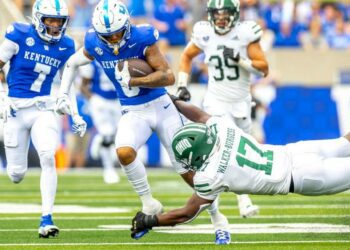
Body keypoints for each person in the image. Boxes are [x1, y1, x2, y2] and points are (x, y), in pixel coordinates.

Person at [54, 0, 230, 244]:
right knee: (124, 152)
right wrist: (63, 94)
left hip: (162, 107)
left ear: (127, 25)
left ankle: (218, 219)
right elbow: (72, 63)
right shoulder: (94, 40)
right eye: (108, 35)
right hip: (133, 111)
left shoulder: (142, 37)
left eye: (117, 33)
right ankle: (149, 203)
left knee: (188, 171)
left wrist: (135, 81)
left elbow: (167, 76)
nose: (114, 40)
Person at [130, 98, 350, 241]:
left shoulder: (209, 176)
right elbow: (198, 115)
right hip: (295, 152)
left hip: (303, 177)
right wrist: (173, 100)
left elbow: (187, 214)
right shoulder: (223, 129)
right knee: (344, 142)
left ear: (197, 155)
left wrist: (151, 221)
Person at [0, 0, 86, 238]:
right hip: (16, 110)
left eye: (59, 21)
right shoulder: (18, 33)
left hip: (43, 109)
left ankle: (46, 218)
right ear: (38, 18)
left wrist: (75, 113)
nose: (56, 25)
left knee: (48, 156)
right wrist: (2, 96)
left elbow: (68, 86)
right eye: (50, 20)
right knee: (16, 175)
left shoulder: (67, 45)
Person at [176, 0, 268, 223]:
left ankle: (235, 198)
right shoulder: (205, 33)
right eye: (216, 14)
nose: (220, 18)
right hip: (216, 101)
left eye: (225, 14)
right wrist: (182, 84)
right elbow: (187, 56)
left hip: (241, 101)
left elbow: (263, 69)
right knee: (226, 145)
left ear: (235, 14)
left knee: (245, 150)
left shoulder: (246, 32)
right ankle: (235, 202)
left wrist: (239, 59)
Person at [79, 61, 121, 184]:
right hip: (100, 99)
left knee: (119, 134)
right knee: (107, 133)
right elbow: (83, 85)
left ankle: (99, 139)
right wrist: (93, 100)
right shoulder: (92, 58)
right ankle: (109, 169)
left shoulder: (122, 52)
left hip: (119, 100)